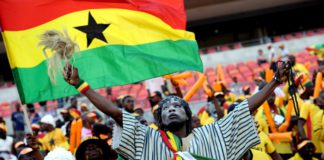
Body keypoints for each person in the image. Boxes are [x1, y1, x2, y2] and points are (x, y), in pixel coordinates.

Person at [62, 61, 290, 159]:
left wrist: (274, 83)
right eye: (164, 108)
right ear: (158, 119)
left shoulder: (212, 134)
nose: (171, 109)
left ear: (189, 115)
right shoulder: (149, 139)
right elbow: (116, 114)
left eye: (177, 106)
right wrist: (81, 85)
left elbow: (242, 111)